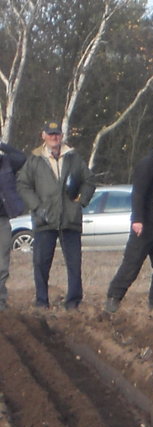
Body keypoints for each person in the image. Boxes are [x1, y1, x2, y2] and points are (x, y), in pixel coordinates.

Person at [16, 121, 95, 309]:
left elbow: (89, 181)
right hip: (45, 219)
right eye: (50, 134)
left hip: (69, 219)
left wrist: (80, 201)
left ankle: (73, 302)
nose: (54, 137)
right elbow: (22, 185)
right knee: (41, 264)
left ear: (61, 135)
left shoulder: (73, 157)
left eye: (57, 134)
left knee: (74, 263)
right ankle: (42, 302)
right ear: (43, 136)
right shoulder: (34, 160)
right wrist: (37, 207)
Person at [105, 129, 153, 313]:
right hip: (144, 225)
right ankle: (113, 299)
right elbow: (138, 194)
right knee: (131, 266)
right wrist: (137, 220)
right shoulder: (146, 165)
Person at [0, 139, 27, 310]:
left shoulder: (6, 163)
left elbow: (22, 158)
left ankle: (0, 301)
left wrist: (2, 145)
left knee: (2, 262)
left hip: (2, 219)